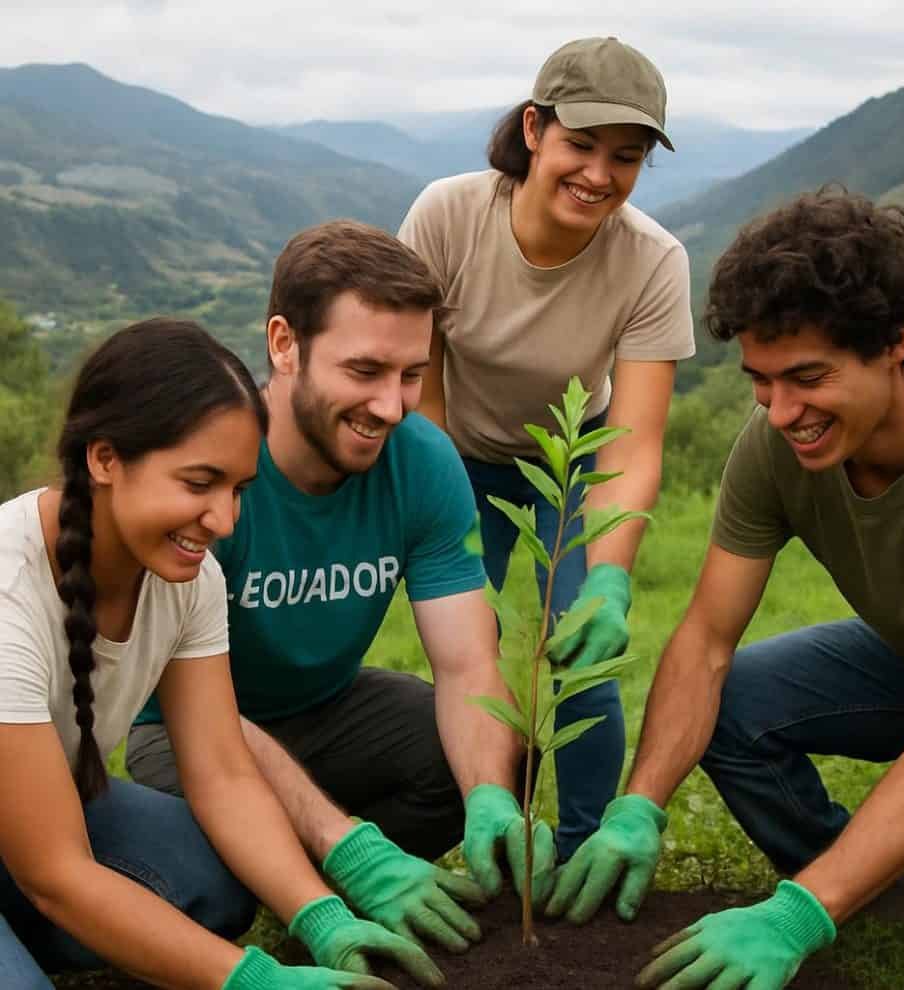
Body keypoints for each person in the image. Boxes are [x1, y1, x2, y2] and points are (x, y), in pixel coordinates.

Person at [545, 188, 904, 989]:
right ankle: (860, 884)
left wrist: (798, 914)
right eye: (761, 380)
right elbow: (706, 642)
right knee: (739, 700)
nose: (782, 412)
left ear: (895, 343)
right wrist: (639, 805)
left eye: (808, 377)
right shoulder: (776, 444)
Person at [128, 221, 555, 957]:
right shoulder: (210, 473)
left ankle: (331, 865)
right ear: (284, 344)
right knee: (207, 882)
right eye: (364, 371)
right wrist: (346, 842)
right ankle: (313, 873)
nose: (391, 406)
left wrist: (488, 791)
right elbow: (200, 711)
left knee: (497, 757)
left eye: (411, 375)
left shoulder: (421, 460)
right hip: (181, 725)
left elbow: (465, 665)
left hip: (331, 706)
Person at [0, 319, 444, 990]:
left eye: (237, 489)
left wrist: (321, 916)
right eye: (199, 482)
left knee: (214, 884)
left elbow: (223, 773)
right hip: (38, 847)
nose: (224, 521)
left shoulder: (190, 576)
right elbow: (59, 871)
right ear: (105, 459)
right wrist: (248, 980)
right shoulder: (8, 592)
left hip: (33, 814)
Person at [397, 35, 695, 860]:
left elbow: (632, 445)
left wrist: (609, 580)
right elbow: (417, 392)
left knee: (578, 648)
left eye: (626, 157)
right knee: (470, 648)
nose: (600, 174)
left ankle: (587, 845)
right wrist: (443, 522)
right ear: (534, 129)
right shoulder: (449, 217)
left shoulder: (652, 262)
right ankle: (486, 825)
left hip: (572, 464)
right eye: (582, 145)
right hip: (456, 459)